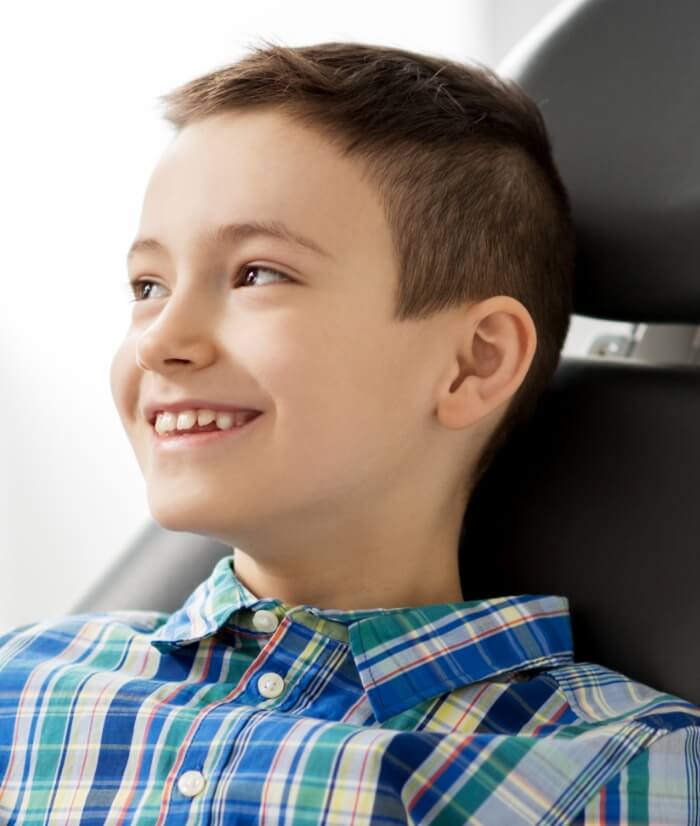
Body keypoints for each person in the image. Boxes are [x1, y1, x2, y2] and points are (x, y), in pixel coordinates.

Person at [1, 39, 698, 824]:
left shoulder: (627, 771)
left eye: (257, 273)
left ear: (474, 363)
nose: (159, 339)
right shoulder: (23, 681)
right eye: (148, 285)